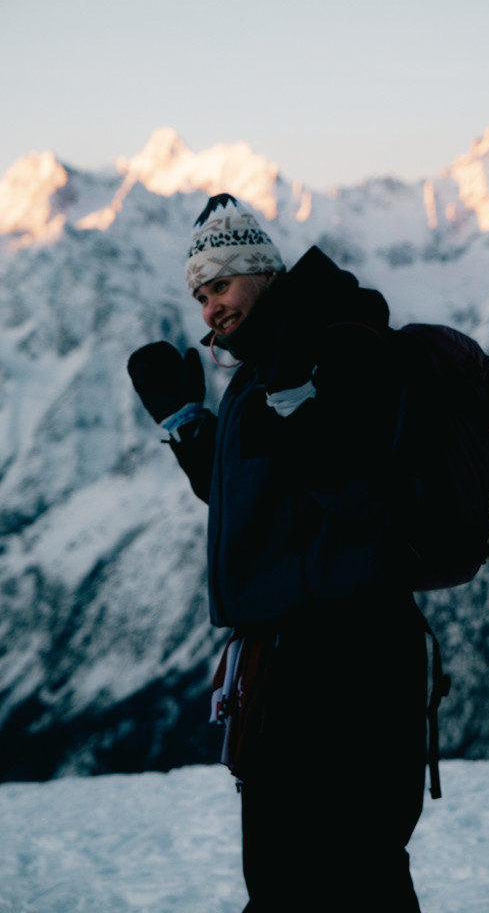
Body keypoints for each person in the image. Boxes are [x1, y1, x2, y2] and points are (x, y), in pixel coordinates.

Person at [128, 194, 427, 912]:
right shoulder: (263, 368)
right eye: (199, 296)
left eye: (220, 287)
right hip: (288, 662)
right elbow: (264, 505)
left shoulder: (337, 344)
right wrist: (192, 431)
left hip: (349, 658)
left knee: (348, 873)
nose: (209, 310)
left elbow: (365, 499)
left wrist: (303, 410)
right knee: (292, 877)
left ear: (258, 271)